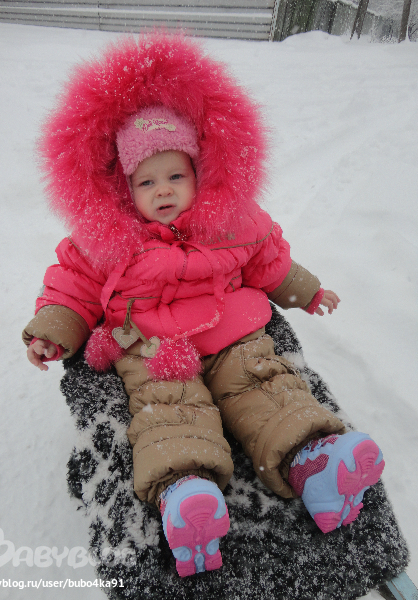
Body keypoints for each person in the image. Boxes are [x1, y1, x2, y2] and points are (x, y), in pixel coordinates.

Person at [23, 32, 384, 578]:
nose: (163, 190)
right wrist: (53, 330)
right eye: (147, 181)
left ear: (198, 173)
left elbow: (267, 258)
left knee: (266, 383)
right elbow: (71, 284)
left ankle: (315, 463)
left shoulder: (230, 220)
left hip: (231, 332)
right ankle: (188, 495)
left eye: (176, 176)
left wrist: (306, 290)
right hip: (152, 345)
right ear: (124, 189)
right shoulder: (107, 237)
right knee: (168, 407)